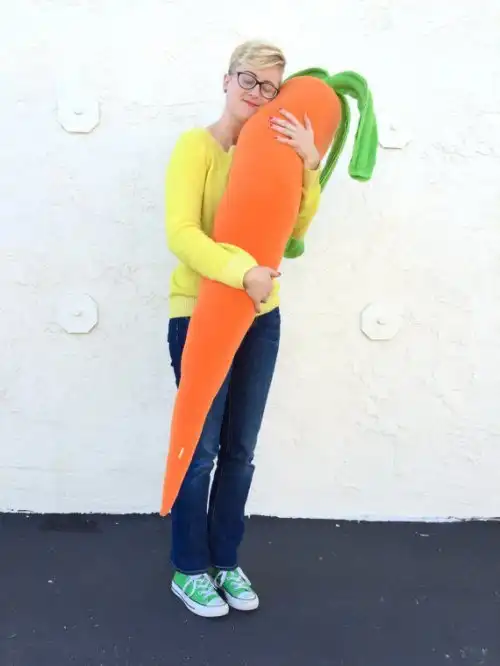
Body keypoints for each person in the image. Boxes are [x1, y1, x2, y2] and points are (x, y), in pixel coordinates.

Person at [164, 39, 322, 617]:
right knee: (200, 449)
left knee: (240, 450)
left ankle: (225, 561)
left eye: (269, 86)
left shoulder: (275, 153)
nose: (256, 93)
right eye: (248, 79)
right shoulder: (197, 148)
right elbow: (182, 234)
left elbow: (294, 231)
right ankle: (189, 568)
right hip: (200, 312)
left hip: (260, 315)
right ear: (227, 80)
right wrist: (242, 271)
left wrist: (309, 165)